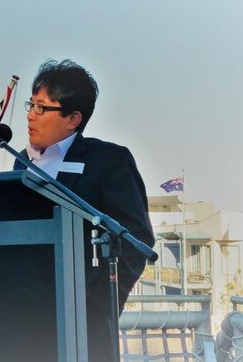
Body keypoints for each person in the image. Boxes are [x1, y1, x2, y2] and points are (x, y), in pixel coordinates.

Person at [14, 59, 155, 361]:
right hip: (25, 324)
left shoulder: (108, 161)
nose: (30, 115)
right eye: (31, 105)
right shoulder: (20, 163)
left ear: (72, 118)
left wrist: (95, 306)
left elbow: (136, 243)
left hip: (84, 328)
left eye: (41, 107)